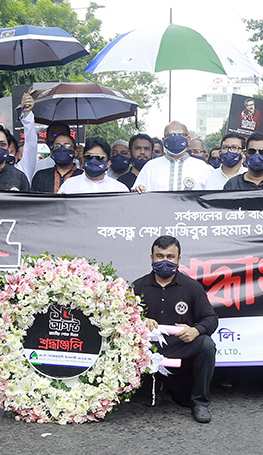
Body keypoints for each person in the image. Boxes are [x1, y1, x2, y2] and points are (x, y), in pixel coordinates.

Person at [133, 236, 218, 423]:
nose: (165, 261)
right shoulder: (138, 287)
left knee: (206, 344)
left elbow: (211, 319)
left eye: (170, 257)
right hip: (149, 348)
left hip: (180, 346)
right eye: (160, 256)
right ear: (151, 258)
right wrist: (140, 321)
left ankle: (200, 403)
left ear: (179, 259)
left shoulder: (192, 287)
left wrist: (196, 330)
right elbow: (122, 319)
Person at [133, 122, 213, 192]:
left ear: (188, 139)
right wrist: (139, 189)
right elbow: (139, 194)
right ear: (164, 140)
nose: (175, 138)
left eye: (180, 134)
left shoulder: (203, 168)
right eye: (170, 135)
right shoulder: (150, 167)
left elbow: (211, 198)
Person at [58, 137, 129, 194]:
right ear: (83, 160)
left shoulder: (120, 189)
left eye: (99, 157)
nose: (93, 161)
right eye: (89, 156)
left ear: (108, 163)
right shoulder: (69, 186)